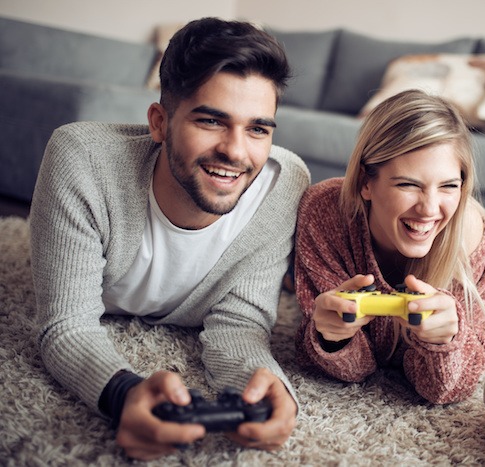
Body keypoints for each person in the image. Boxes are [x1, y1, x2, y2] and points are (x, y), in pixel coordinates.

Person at [29, 18, 309, 460]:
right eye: (212, 121)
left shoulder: (285, 183)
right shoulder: (81, 159)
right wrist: (122, 392)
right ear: (160, 122)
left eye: (258, 129)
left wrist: (263, 385)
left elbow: (240, 323)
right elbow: (66, 324)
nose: (237, 152)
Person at [293, 89, 485, 404]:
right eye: (408, 184)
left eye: (448, 186)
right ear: (365, 182)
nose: (430, 209)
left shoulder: (469, 232)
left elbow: (445, 389)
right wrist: (331, 339)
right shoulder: (325, 214)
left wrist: (446, 343)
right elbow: (355, 369)